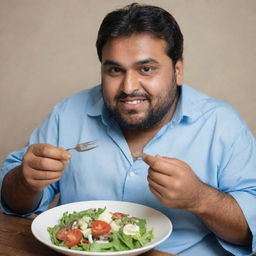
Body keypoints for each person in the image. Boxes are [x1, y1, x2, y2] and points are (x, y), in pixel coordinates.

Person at [0, 3, 255, 256]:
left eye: (146, 69)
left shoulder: (222, 124)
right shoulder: (67, 114)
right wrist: (25, 180)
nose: (128, 86)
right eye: (115, 70)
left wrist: (201, 198)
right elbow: (13, 204)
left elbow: (250, 231)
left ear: (178, 71)